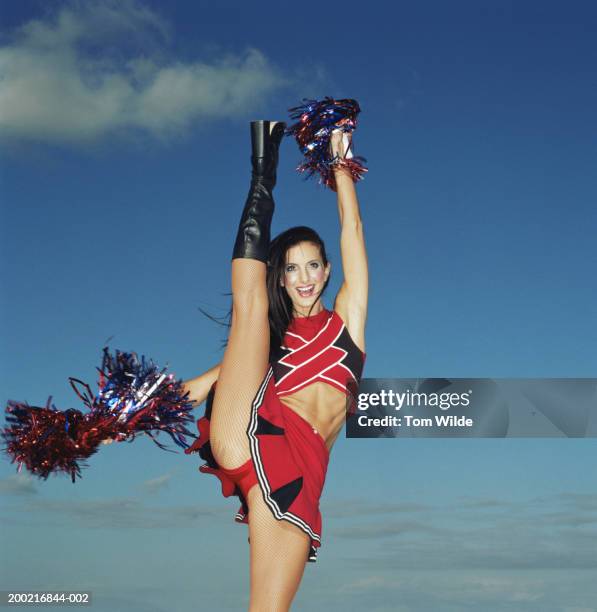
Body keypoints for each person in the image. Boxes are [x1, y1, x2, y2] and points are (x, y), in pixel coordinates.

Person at [182, 120, 368, 611]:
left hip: (293, 487)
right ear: (281, 278)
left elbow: (352, 230)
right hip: (251, 434)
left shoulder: (348, 324)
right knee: (250, 314)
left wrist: (341, 162)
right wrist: (121, 419)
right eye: (291, 268)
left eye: (313, 265)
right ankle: (263, 172)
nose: (304, 277)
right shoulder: (271, 342)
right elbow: (195, 389)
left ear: (327, 271)